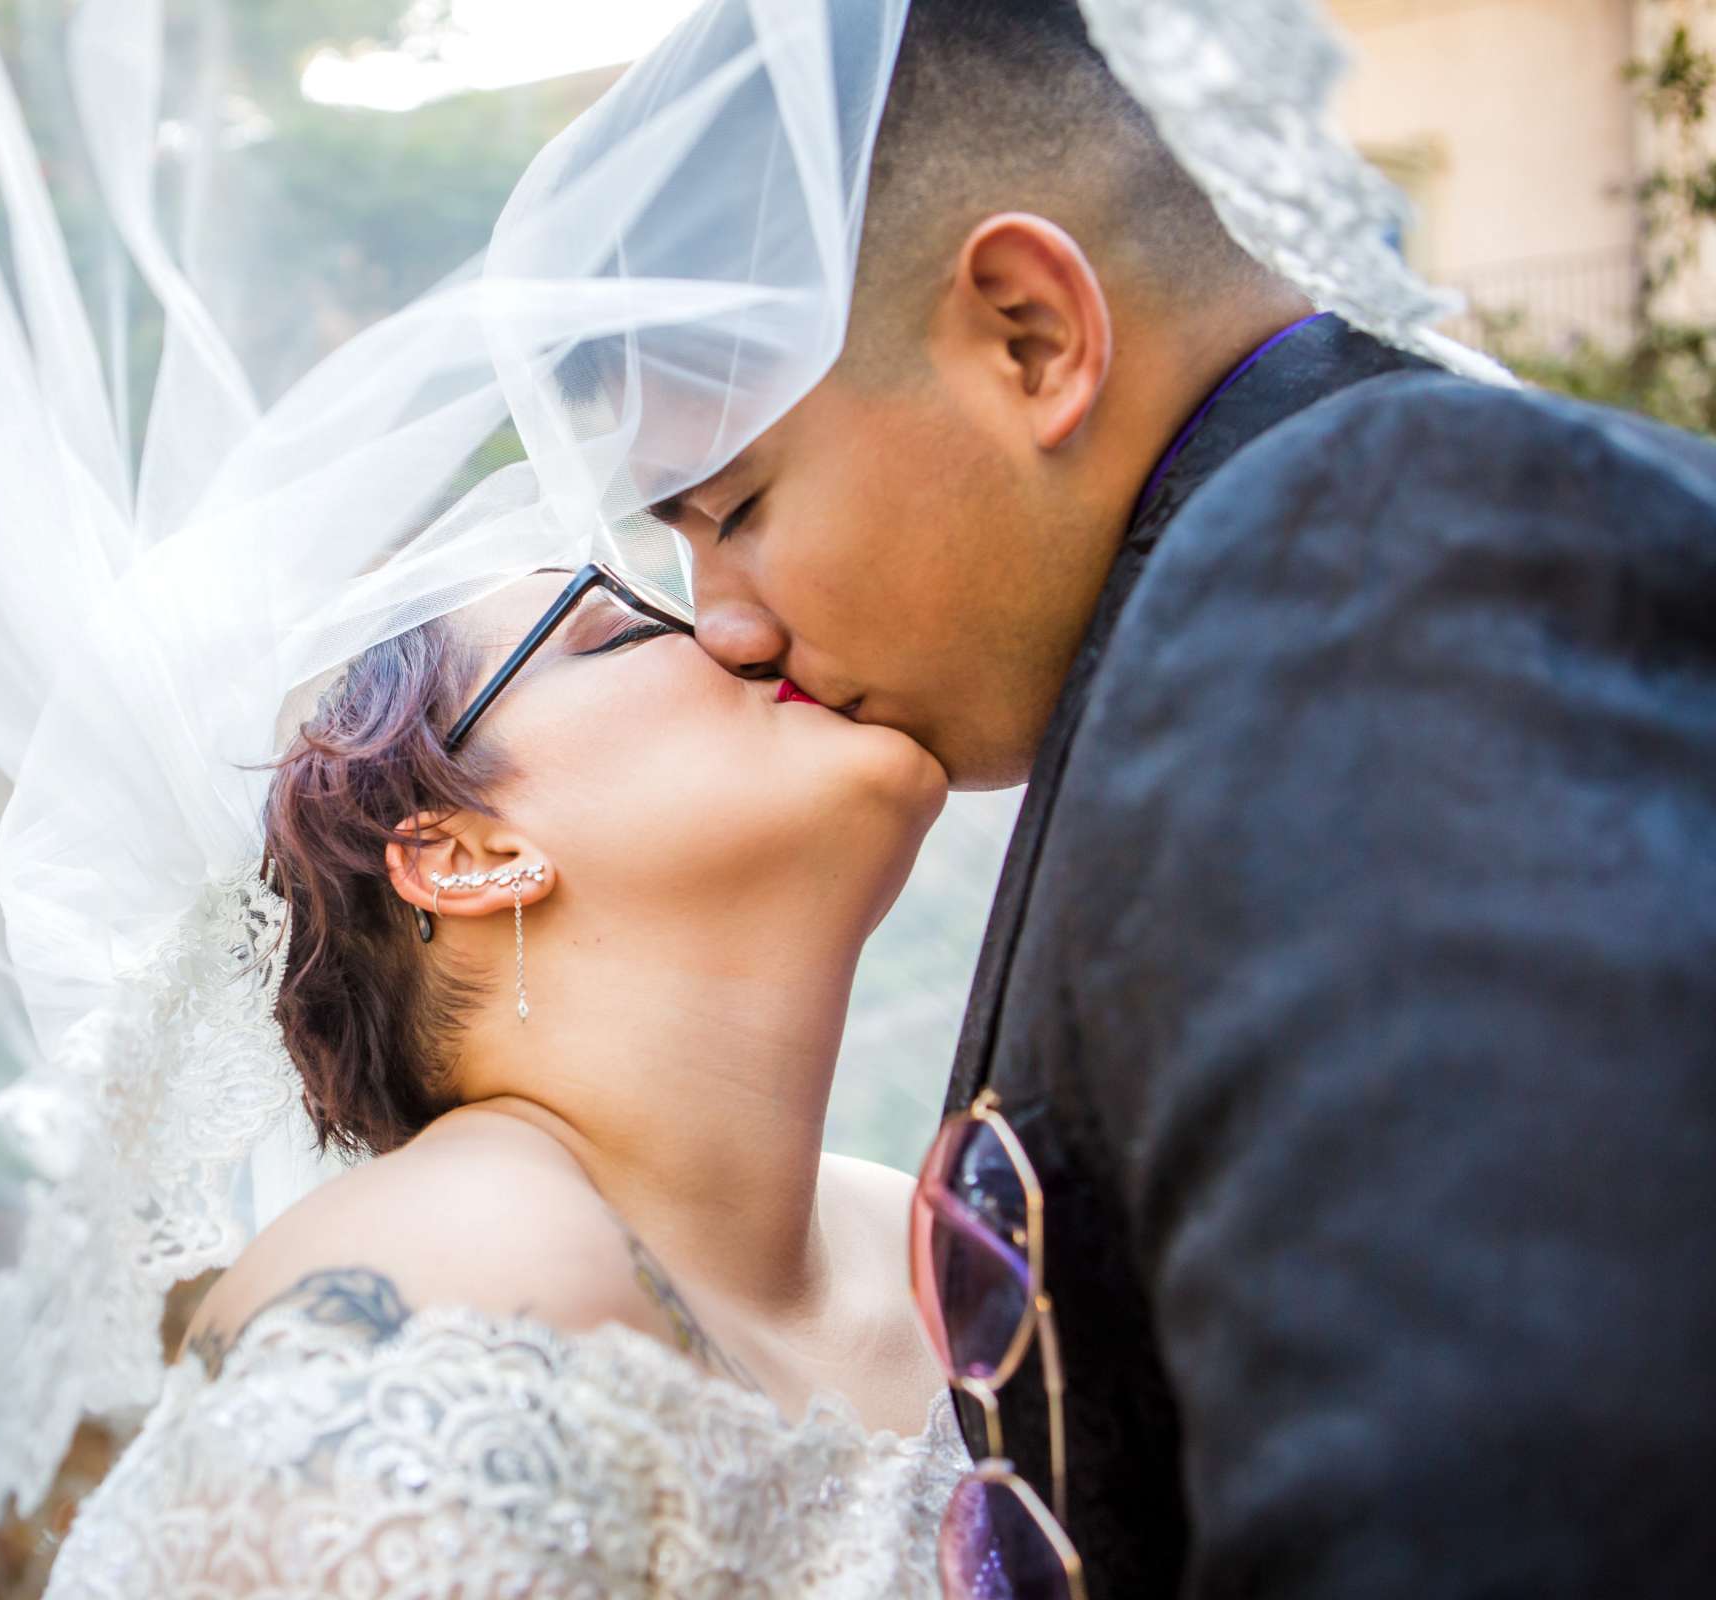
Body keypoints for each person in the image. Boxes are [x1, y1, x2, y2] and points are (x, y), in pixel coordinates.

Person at [648, 2, 1716, 1596]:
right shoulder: (1272, 588)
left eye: (737, 507)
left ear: (1031, 334)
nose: (722, 624)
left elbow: (1509, 1489)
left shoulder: (1371, 556)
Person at [44, 569, 971, 1595]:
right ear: (466, 856)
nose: (742, 634)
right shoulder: (449, 1274)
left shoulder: (933, 1239)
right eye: (620, 631)